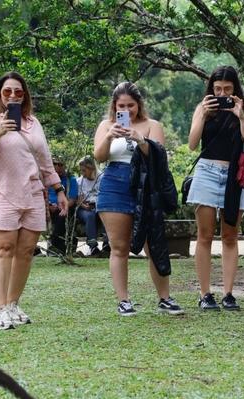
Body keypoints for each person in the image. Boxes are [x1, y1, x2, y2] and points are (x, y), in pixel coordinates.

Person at [0, 71, 68, 330]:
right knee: (4, 249)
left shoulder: (33, 123)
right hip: (0, 192)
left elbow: (45, 161)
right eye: (7, 91)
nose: (13, 95)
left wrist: (58, 189)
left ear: (25, 95)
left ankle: (13, 304)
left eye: (18, 91)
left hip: (32, 192)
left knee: (26, 251)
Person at [93, 81, 182, 316]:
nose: (127, 110)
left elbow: (160, 158)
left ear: (139, 104)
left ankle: (164, 298)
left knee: (153, 244)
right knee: (119, 246)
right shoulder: (106, 125)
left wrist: (140, 140)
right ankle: (124, 300)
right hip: (114, 183)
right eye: (121, 105)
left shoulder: (152, 125)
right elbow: (99, 157)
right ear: (114, 105)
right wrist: (110, 137)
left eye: (130, 105)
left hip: (145, 184)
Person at [187, 66, 244, 310]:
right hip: (207, 172)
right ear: (211, 89)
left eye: (227, 89)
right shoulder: (202, 109)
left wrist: (240, 115)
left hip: (234, 175)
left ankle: (229, 293)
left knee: (230, 236)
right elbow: (192, 144)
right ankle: (205, 293)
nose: (222, 94)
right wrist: (203, 115)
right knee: (205, 235)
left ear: (235, 90)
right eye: (217, 89)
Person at [76, 157, 108, 256]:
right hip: (85, 208)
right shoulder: (80, 181)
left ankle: (108, 246)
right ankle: (92, 245)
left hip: (100, 206)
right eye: (81, 170)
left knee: (106, 215)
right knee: (90, 215)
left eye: (84, 170)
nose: (82, 173)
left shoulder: (103, 178)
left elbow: (105, 195)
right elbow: (79, 199)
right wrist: (83, 205)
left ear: (91, 168)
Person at [47, 157, 78, 255]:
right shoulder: (47, 179)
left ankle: (56, 248)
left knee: (61, 217)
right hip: (48, 208)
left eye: (60, 164)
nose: (57, 167)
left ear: (65, 166)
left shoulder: (71, 180)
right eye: (54, 164)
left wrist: (64, 206)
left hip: (65, 208)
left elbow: (72, 199)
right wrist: (48, 206)